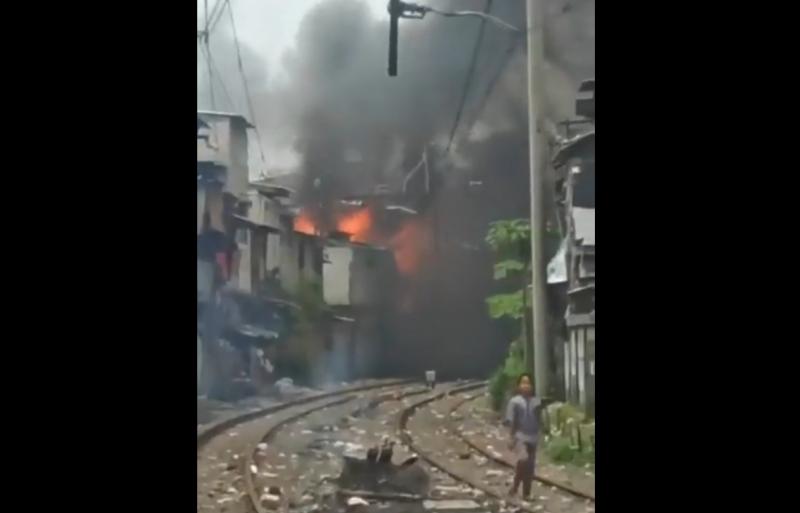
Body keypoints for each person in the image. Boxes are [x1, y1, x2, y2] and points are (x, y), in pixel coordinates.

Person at [505, 373, 544, 500]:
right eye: (523, 383)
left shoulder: (536, 401)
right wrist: (511, 438)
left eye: (528, 383)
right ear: (518, 385)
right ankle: (516, 485)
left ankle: (526, 493)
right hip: (520, 436)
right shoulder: (515, 402)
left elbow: (540, 420)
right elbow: (512, 421)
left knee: (530, 467)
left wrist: (542, 433)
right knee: (523, 459)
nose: (526, 386)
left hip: (533, 437)